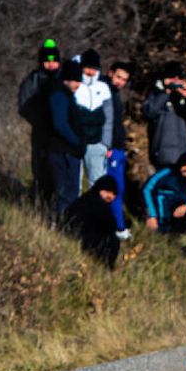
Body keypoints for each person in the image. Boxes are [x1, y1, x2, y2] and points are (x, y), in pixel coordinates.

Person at [18, 38, 62, 201]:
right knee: (40, 167)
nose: (51, 65)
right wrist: (40, 120)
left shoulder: (63, 79)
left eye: (54, 61)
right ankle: (40, 201)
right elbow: (24, 106)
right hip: (41, 132)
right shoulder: (32, 80)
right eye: (47, 61)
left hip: (60, 134)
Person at [142, 61, 186, 170]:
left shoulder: (183, 97)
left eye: (179, 77)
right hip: (161, 154)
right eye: (172, 77)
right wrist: (166, 93)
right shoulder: (155, 93)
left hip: (183, 155)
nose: (176, 80)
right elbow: (149, 112)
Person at [46, 59, 88, 217]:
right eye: (76, 81)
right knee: (65, 193)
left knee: (71, 192)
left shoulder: (67, 95)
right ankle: (61, 224)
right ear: (67, 79)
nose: (78, 85)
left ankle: (67, 224)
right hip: (63, 152)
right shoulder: (59, 95)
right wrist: (77, 142)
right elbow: (60, 124)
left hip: (69, 152)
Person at [101, 61, 133, 239]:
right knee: (111, 190)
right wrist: (106, 145)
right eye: (119, 77)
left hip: (119, 149)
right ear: (111, 73)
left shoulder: (115, 94)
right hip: (110, 149)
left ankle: (118, 225)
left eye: (124, 80)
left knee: (119, 189)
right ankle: (115, 227)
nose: (121, 82)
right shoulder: (103, 90)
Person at [142, 152, 186, 233]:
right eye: (185, 165)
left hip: (176, 227)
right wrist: (151, 215)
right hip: (158, 223)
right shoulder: (165, 174)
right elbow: (147, 189)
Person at [64, 175, 121, 268]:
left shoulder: (85, 199)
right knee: (111, 240)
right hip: (85, 239)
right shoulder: (97, 203)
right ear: (101, 190)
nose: (111, 197)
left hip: (76, 236)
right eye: (108, 193)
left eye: (113, 194)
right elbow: (110, 224)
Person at [75, 49, 113, 187]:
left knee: (97, 184)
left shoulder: (103, 88)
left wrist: (106, 144)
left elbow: (109, 118)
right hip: (76, 143)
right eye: (87, 68)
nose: (90, 72)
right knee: (74, 183)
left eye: (94, 69)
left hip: (96, 144)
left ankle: (96, 208)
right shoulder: (75, 85)